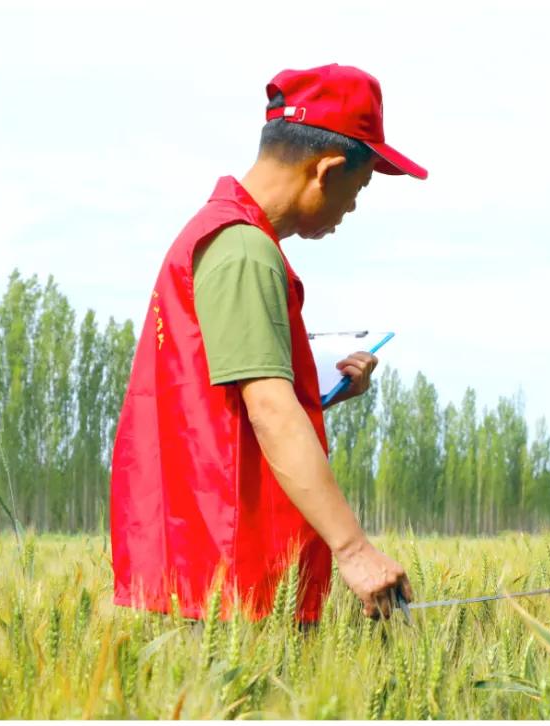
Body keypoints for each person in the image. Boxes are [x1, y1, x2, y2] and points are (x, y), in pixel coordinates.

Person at [110, 64, 426, 623]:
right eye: (362, 185)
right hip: (234, 573)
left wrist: (322, 392)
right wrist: (354, 551)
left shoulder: (215, 235)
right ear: (327, 171)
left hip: (208, 564)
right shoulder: (244, 250)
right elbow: (269, 410)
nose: (354, 206)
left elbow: (215, 406)